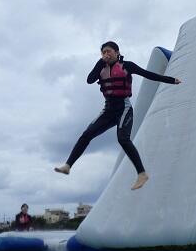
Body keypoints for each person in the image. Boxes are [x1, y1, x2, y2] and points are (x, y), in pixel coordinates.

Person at [55, 41, 181, 190]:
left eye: (109, 51)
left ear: (117, 52)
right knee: (86, 134)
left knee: (123, 139)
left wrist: (171, 80)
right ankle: (68, 166)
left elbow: (148, 75)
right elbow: (89, 80)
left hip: (124, 108)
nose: (106, 55)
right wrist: (99, 63)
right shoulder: (101, 67)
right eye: (103, 53)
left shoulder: (127, 66)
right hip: (108, 110)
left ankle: (142, 174)